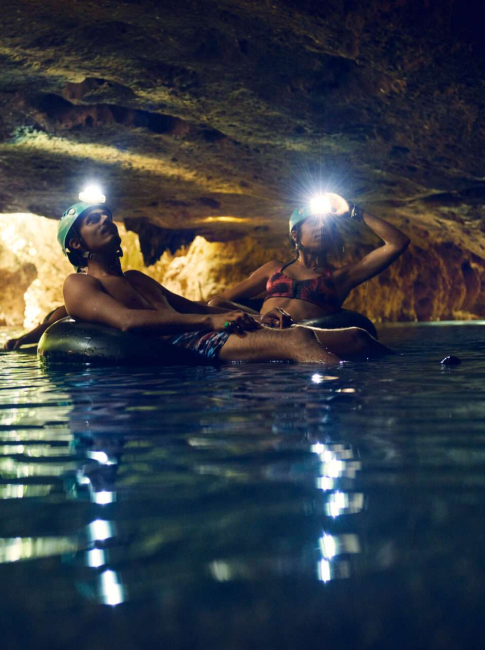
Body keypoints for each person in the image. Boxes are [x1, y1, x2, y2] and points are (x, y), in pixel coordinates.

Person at [56, 201, 344, 365]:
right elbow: (127, 321)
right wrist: (209, 322)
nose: (106, 219)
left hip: (192, 334)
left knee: (350, 338)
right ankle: (344, 402)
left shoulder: (134, 278)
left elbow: (188, 306)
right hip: (180, 344)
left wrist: (259, 318)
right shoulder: (78, 284)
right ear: (77, 242)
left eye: (106, 215)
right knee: (298, 340)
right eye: (94, 220)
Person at [208, 192, 410, 355]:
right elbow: (217, 302)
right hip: (262, 333)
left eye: (328, 225)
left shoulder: (341, 277)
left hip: (306, 336)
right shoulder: (274, 269)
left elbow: (397, 243)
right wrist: (258, 318)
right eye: (314, 223)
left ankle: (405, 365)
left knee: (358, 337)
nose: (322, 226)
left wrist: (353, 211)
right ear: (295, 235)